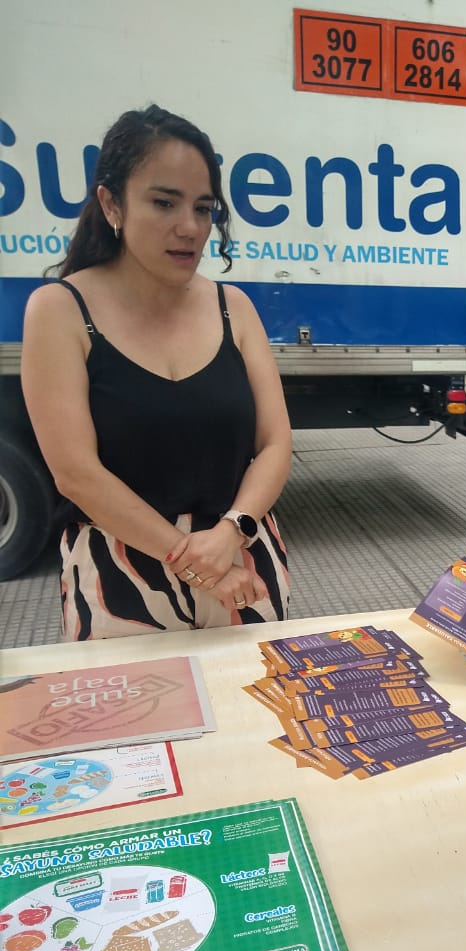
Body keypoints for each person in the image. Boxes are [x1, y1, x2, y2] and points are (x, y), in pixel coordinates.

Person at [21, 105, 292, 640]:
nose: (189, 227)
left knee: (264, 695)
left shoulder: (233, 308)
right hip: (121, 577)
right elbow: (76, 473)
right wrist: (197, 562)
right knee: (138, 701)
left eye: (203, 207)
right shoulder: (60, 310)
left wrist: (232, 531)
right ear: (112, 204)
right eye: (164, 202)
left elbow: (276, 442)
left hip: (243, 561)